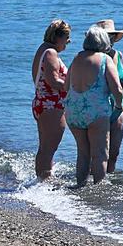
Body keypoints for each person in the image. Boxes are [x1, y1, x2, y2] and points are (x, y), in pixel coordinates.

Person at [64, 26, 123, 187]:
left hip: (73, 110)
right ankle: (98, 192)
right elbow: (117, 88)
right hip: (96, 112)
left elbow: (65, 86)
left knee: (83, 153)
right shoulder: (105, 59)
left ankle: (80, 186)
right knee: (100, 154)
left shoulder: (77, 57)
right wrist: (119, 106)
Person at [31, 20, 70, 180]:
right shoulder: (50, 53)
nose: (69, 41)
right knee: (49, 148)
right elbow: (53, 81)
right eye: (67, 37)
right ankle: (43, 185)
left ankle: (41, 181)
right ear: (58, 37)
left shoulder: (42, 50)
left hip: (42, 102)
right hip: (51, 105)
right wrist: (74, 86)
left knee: (45, 148)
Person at [96, 18, 123, 174]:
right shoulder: (94, 57)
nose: (110, 40)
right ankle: (95, 181)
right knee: (99, 151)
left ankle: (109, 181)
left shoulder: (118, 55)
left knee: (114, 151)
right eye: (107, 36)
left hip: (118, 108)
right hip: (98, 108)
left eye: (112, 36)